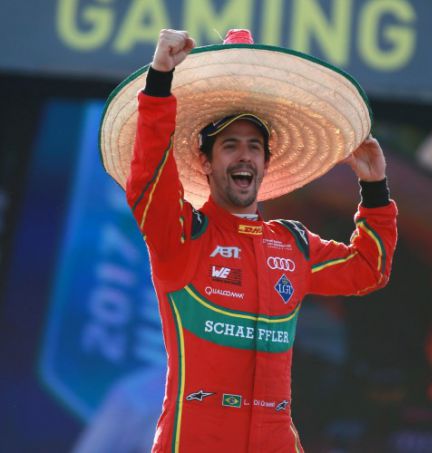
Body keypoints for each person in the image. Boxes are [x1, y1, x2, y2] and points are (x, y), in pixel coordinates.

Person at [100, 29, 397, 452]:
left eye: (254, 147)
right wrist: (161, 81)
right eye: (230, 145)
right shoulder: (182, 235)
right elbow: (149, 177)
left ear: (266, 163)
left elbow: (369, 269)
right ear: (204, 160)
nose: (244, 155)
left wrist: (375, 189)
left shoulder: (293, 243)